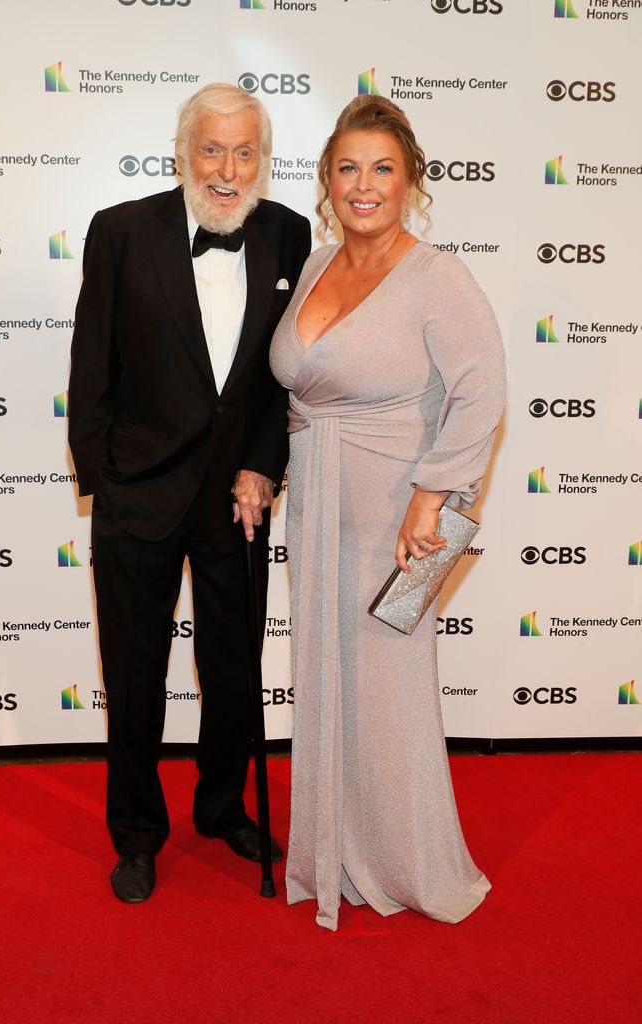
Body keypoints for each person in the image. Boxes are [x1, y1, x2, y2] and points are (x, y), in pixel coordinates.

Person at [68, 83, 311, 903]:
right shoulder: (122, 231)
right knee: (135, 674)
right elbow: (90, 369)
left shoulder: (288, 234)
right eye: (213, 148)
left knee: (233, 671)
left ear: (264, 162)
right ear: (182, 151)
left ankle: (219, 807)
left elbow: (289, 381)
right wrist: (106, 484)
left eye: (245, 152)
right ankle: (136, 832)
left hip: (236, 497)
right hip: (138, 495)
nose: (227, 168)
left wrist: (264, 465)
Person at [269, 95, 505, 931]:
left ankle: (406, 859)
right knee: (326, 675)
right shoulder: (314, 263)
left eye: (381, 169)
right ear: (326, 181)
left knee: (388, 684)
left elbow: (481, 393)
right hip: (317, 495)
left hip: (399, 511)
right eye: (346, 168)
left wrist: (431, 499)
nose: (362, 186)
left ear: (410, 181)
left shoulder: (438, 275)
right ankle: (330, 847)